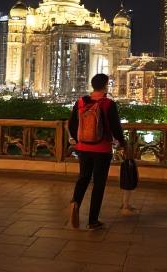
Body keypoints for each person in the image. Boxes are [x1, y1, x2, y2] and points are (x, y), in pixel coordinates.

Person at [67, 73, 126, 231]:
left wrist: (79, 140)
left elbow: (71, 124)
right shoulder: (108, 104)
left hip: (83, 148)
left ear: (93, 85)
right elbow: (116, 128)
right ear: (105, 85)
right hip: (102, 148)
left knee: (83, 177)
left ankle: (75, 202)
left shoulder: (81, 102)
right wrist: (123, 143)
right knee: (99, 183)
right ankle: (93, 221)